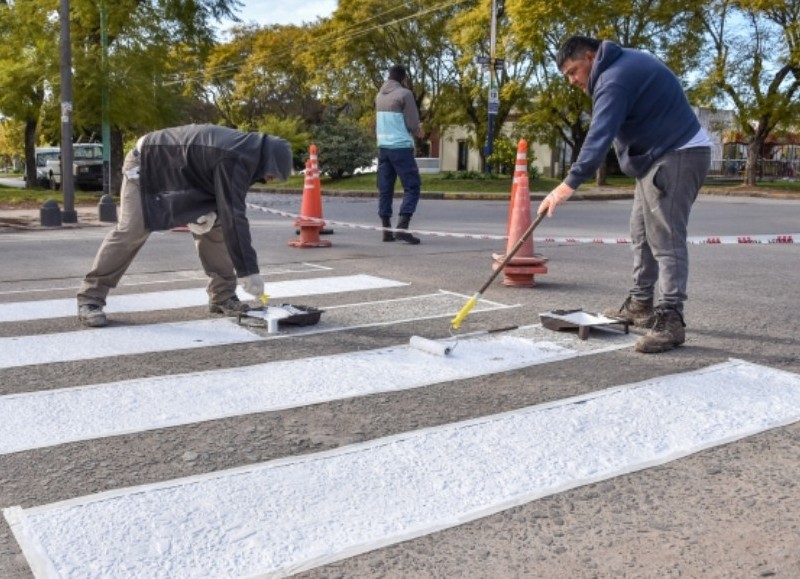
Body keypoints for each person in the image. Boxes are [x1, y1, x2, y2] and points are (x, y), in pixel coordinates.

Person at [538, 36, 711, 354]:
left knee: (665, 239)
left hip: (678, 153)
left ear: (591, 57)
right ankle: (640, 304)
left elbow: (599, 135)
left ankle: (670, 319)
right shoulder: (619, 67)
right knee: (641, 232)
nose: (572, 81)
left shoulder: (614, 79)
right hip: (657, 156)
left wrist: (567, 185)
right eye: (567, 76)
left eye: (574, 71)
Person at [77, 124, 292, 328]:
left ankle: (222, 295)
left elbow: (223, 198)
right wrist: (249, 271)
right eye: (271, 173)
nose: (269, 179)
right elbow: (234, 216)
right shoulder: (236, 157)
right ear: (268, 160)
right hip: (146, 165)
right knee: (132, 230)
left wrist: (209, 211)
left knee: (214, 227)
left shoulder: (246, 152)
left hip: (184, 175)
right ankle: (90, 298)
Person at [375, 64, 424, 244]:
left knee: (385, 188)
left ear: (389, 76)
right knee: (412, 186)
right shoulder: (405, 94)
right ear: (403, 78)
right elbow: (412, 123)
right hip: (401, 148)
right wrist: (419, 131)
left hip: (383, 148)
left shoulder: (379, 96)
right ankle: (402, 227)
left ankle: (386, 230)